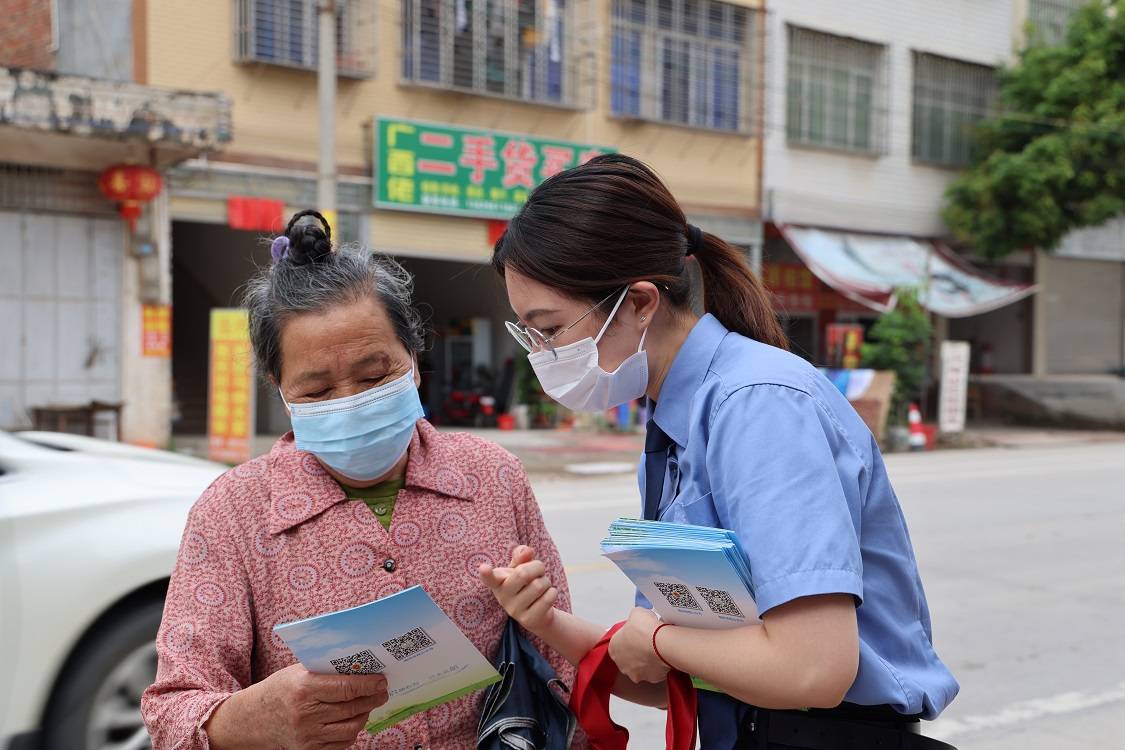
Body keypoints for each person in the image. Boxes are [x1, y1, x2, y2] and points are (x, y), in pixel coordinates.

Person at [479, 155, 959, 749]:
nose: (542, 354)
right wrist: (544, 621)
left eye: (549, 329)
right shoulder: (673, 430)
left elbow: (813, 668)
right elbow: (673, 676)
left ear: (638, 303)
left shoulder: (757, 404)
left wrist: (656, 640)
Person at [141, 211, 582, 750]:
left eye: (375, 376)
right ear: (278, 388)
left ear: (414, 360)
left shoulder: (493, 476)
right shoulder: (233, 512)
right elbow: (172, 711)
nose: (350, 402)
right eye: (317, 390)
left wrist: (540, 618)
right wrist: (254, 718)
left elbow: (563, 664)